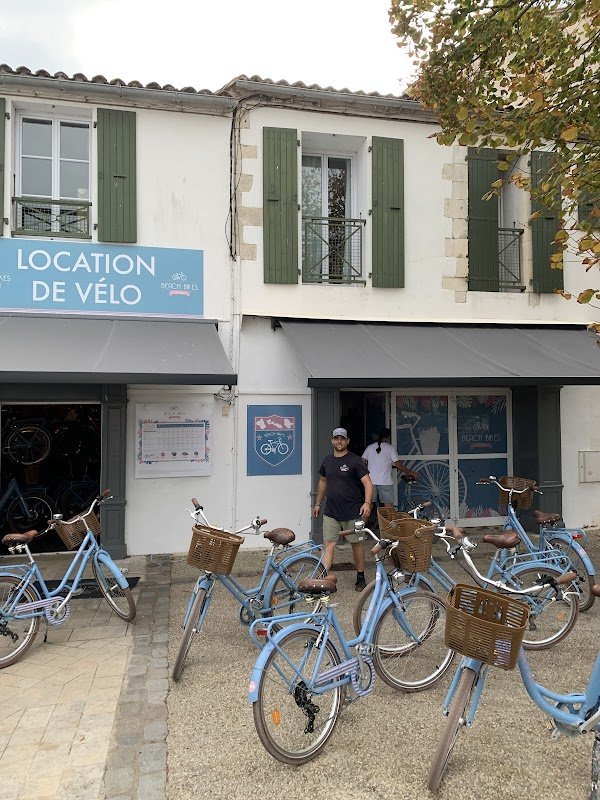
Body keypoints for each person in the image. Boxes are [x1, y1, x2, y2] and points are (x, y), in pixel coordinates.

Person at [312, 427, 373, 591]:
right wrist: (317, 503)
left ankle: (360, 576)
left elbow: (367, 482)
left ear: (347, 441)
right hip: (331, 512)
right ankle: (323, 579)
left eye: (342, 439)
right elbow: (323, 482)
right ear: (332, 441)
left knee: (356, 544)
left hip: (353, 512)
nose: (339, 441)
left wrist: (367, 503)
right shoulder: (327, 461)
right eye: (336, 438)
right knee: (329, 545)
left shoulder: (355, 460)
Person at [362, 428, 418, 512]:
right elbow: (399, 466)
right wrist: (412, 473)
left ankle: (361, 524)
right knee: (388, 509)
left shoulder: (370, 447)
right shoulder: (390, 448)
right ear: (387, 437)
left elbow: (362, 462)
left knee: (368, 506)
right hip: (385, 482)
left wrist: (368, 471)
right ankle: (388, 525)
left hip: (371, 482)